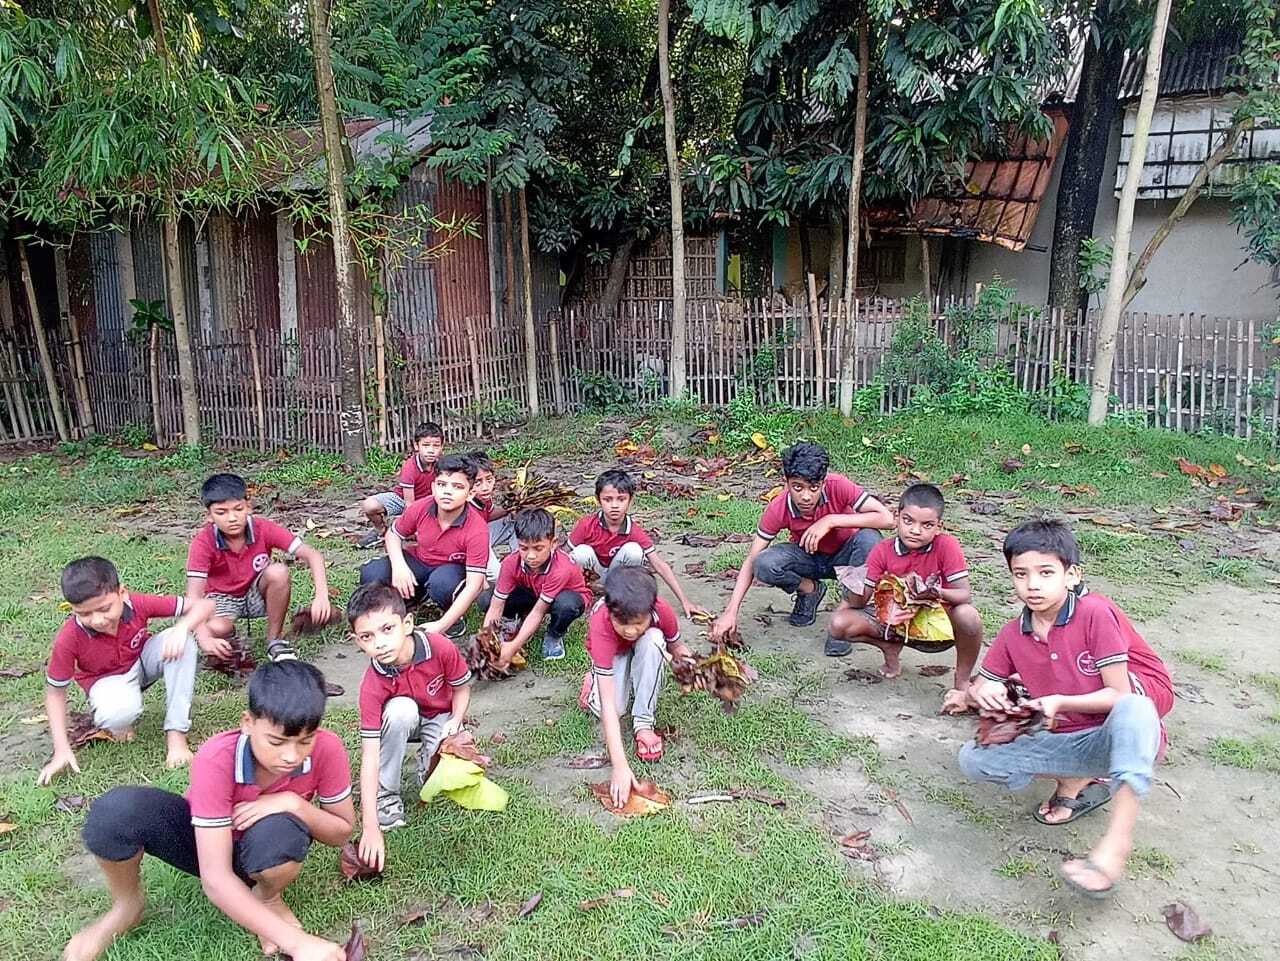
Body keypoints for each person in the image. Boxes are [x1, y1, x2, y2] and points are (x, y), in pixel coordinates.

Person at [65, 661, 354, 961]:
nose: (291, 756)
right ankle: (127, 904)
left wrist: (294, 804)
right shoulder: (217, 757)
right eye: (276, 741)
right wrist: (298, 944)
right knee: (114, 812)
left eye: (305, 741)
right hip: (208, 843)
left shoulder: (327, 748)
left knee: (282, 831)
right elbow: (215, 878)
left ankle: (267, 896)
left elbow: (341, 832)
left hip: (268, 847)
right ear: (248, 723)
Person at [959, 520, 1174, 899]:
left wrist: (1060, 702)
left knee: (1136, 708)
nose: (1033, 585)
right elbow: (982, 684)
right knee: (973, 758)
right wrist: (985, 691)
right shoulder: (1014, 633)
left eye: (1046, 573)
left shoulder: (1095, 613)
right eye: (1021, 574)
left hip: (1118, 732)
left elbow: (1119, 694)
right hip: (1071, 735)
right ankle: (1077, 778)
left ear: (1071, 575)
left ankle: (1115, 845)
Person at [38, 557, 215, 782]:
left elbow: (205, 605)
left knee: (184, 643)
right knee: (118, 714)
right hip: (107, 682)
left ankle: (177, 736)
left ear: (122, 593)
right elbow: (55, 692)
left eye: (104, 608)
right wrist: (62, 749)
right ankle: (119, 721)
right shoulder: (69, 638)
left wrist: (182, 628)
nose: (98, 620)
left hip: (141, 662)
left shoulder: (136, 604)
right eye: (84, 614)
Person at [827, 483, 982, 714]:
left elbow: (964, 594)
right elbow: (859, 602)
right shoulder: (882, 550)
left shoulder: (946, 545)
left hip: (936, 628)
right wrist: (854, 582)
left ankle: (961, 682)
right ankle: (889, 647)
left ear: (938, 527)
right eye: (908, 521)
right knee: (839, 623)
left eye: (927, 525)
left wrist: (936, 592)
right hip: (895, 622)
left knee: (968, 615)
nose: (915, 530)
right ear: (897, 517)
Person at [349, 583, 472, 868]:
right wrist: (370, 826)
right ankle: (387, 796)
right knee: (400, 711)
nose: (379, 643)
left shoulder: (439, 646)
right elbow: (370, 754)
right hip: (402, 719)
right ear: (357, 641)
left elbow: (461, 689)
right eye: (367, 636)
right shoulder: (372, 684)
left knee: (439, 782)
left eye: (387, 629)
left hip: (440, 716)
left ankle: (426, 767)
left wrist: (455, 721)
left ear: (407, 624)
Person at [713, 442, 893, 636]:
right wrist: (730, 612)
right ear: (786, 482)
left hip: (846, 558)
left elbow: (888, 519)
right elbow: (752, 559)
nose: (806, 496)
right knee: (763, 563)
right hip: (809, 558)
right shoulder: (778, 508)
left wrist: (830, 521)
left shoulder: (838, 485)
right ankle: (810, 589)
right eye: (797, 487)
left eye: (814, 487)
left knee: (870, 539)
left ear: (823, 483)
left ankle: (849, 612)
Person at [185, 473, 333, 665]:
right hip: (220, 598)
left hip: (256, 592)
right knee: (217, 629)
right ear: (209, 516)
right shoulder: (203, 542)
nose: (232, 518)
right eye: (221, 512)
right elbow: (193, 597)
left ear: (249, 507)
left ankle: (274, 640)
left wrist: (321, 596)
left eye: (238, 509)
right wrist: (204, 637)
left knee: (278, 572)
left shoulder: (263, 528)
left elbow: (313, 555)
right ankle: (230, 639)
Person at [581, 567, 692, 792]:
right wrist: (620, 767)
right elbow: (609, 706)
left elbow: (677, 647)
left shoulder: (662, 611)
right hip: (614, 653)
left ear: (651, 610)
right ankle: (592, 680)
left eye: (638, 622)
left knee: (654, 639)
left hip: (646, 643)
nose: (631, 630)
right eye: (622, 623)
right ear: (610, 612)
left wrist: (694, 667)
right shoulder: (601, 623)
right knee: (614, 708)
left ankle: (643, 723)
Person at [358, 454, 488, 640]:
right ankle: (407, 600)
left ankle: (452, 618)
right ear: (433, 487)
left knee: (442, 583)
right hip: (420, 560)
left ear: (470, 493)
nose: (448, 492)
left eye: (457, 487)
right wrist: (399, 567)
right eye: (442, 484)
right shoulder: (421, 507)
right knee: (372, 572)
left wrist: (441, 625)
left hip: (451, 572)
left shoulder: (477, 529)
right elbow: (393, 534)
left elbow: (475, 585)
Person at [567, 468, 706, 619]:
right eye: (608, 499)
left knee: (634, 551)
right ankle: (583, 593)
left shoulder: (633, 530)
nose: (614, 505)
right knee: (580, 553)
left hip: (618, 577)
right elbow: (563, 555)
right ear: (598, 500)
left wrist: (685, 601)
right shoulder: (586, 525)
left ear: (630, 500)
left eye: (621, 499)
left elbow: (659, 564)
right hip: (593, 576)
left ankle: (618, 593)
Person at [480, 508, 592, 663]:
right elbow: (496, 605)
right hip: (534, 592)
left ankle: (554, 634)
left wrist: (513, 647)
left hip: (563, 597)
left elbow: (539, 611)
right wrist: (486, 640)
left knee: (567, 605)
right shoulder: (510, 563)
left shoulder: (561, 569)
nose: (531, 556)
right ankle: (513, 621)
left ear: (553, 544)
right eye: (524, 548)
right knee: (486, 599)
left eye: (538, 548)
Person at [358, 421, 444, 548]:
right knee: (369, 505)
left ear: (442, 447)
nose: (431, 450)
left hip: (430, 501)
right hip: (403, 499)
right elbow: (409, 504)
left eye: (436, 446)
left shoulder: (443, 465)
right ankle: (380, 531)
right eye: (426, 445)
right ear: (416, 446)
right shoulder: (410, 467)